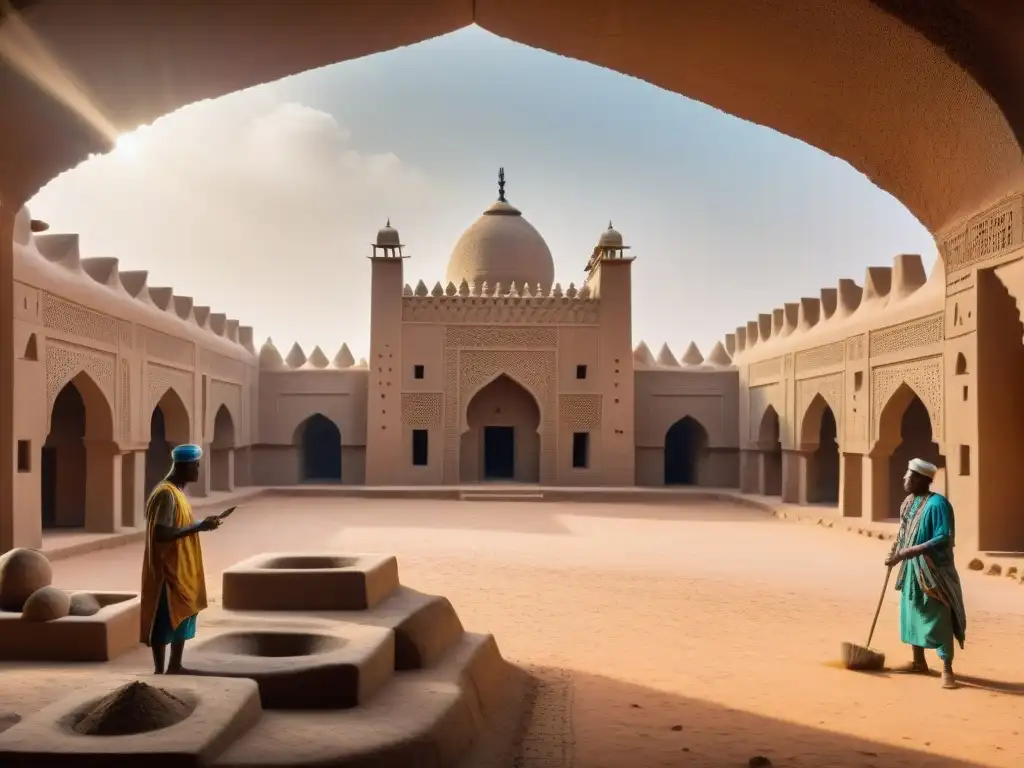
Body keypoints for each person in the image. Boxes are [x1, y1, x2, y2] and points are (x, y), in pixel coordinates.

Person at [140, 443, 233, 674]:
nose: (198, 470)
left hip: (181, 565)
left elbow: (176, 526)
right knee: (164, 617)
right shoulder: (166, 494)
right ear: (185, 466)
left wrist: (201, 524)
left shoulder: (176, 493)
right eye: (196, 465)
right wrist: (198, 527)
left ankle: (175, 665)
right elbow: (161, 533)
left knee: (184, 611)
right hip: (167, 568)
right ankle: (159, 671)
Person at [884, 458, 967, 689]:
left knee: (938, 615)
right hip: (911, 568)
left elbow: (943, 538)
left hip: (934, 570)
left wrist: (907, 552)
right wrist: (894, 553)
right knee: (912, 612)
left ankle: (946, 668)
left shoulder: (938, 504)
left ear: (921, 479)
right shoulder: (907, 503)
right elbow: (903, 532)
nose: (904, 480)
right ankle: (918, 662)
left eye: (909, 476)